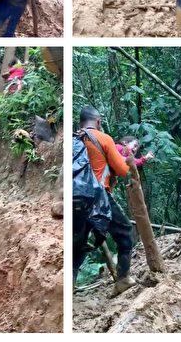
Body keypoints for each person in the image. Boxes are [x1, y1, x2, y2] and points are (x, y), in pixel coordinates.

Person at [73, 106, 136, 295]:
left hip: (76, 198)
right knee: (125, 231)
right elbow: (123, 170)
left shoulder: (74, 138)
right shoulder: (103, 138)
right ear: (98, 122)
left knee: (79, 243)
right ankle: (123, 278)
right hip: (99, 198)